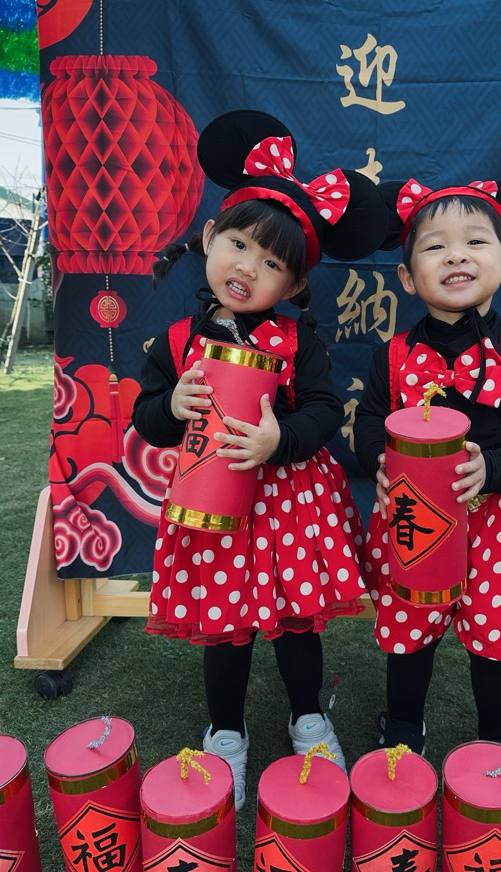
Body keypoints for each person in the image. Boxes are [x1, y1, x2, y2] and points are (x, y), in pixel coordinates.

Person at [132, 110, 395, 810]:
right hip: (212, 511)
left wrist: (282, 440)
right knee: (226, 627)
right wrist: (171, 407)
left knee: (297, 622)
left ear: (296, 285)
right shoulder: (175, 341)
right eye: (240, 245)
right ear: (210, 239)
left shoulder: (299, 339)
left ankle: (308, 718)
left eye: (273, 263)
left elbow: (323, 410)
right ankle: (225, 731)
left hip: (288, 509)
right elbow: (146, 418)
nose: (249, 268)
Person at [354, 177, 501, 754]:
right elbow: (368, 423)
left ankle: (495, 743)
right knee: (409, 631)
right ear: (407, 277)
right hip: (413, 520)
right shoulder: (391, 356)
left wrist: (492, 469)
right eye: (435, 246)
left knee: (496, 641)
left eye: (475, 242)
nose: (456, 256)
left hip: (497, 523)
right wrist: (379, 460)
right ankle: (405, 726)